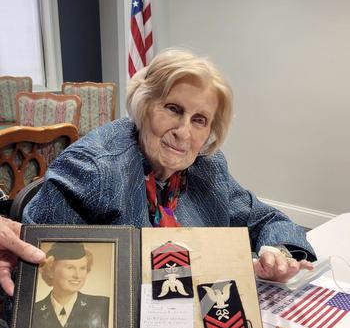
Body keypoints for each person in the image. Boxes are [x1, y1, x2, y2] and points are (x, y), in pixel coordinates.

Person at [0, 48, 315, 299]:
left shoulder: (208, 166)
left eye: (199, 120)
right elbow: (41, 279)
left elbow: (267, 220)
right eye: (174, 109)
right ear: (144, 104)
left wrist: (279, 254)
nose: (183, 132)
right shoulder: (92, 170)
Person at [31, 242, 109, 328]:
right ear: (50, 271)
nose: (77, 275)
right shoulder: (34, 311)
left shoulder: (104, 306)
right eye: (70, 268)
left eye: (82, 268)